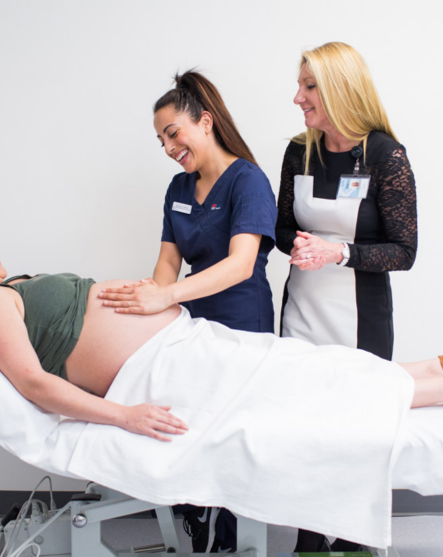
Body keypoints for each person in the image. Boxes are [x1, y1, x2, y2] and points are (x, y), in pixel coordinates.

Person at [0, 214, 443, 549]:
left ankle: (433, 368)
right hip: (164, 371)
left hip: (184, 345)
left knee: (311, 367)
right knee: (307, 385)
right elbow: (35, 385)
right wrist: (125, 417)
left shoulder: (8, 290)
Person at [95, 70, 278, 551]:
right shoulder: (178, 189)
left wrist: (165, 296)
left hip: (243, 320)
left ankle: (234, 540)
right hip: (191, 324)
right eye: (160, 140)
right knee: (191, 424)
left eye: (172, 132)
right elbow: (166, 268)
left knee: (235, 433)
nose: (168, 146)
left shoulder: (248, 180)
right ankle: (196, 517)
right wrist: (139, 311)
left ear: (206, 122)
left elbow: (241, 265)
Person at [275, 42, 419, 552]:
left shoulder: (385, 155)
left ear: (339, 89)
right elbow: (281, 229)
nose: (298, 97)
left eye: (309, 87)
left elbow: (404, 251)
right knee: (305, 430)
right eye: (300, 85)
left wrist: (338, 253)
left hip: (361, 320)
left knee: (356, 435)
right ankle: (308, 540)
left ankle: (356, 540)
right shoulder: (299, 150)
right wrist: (301, 247)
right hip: (302, 314)